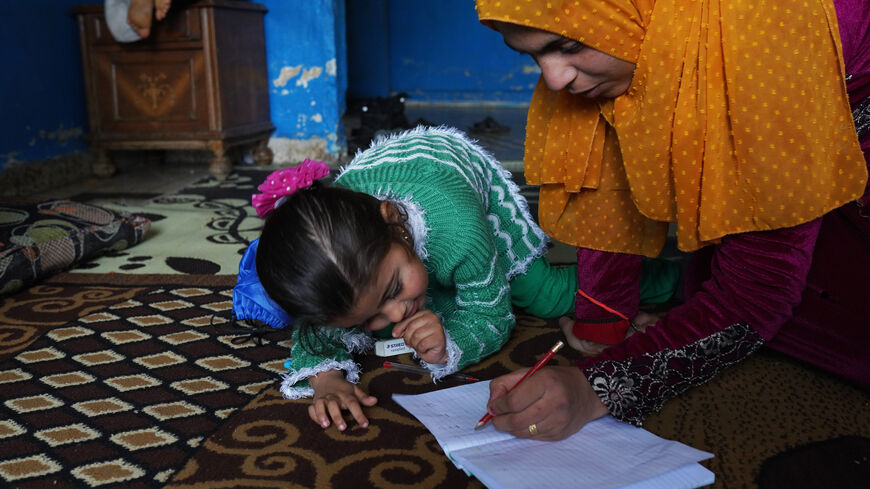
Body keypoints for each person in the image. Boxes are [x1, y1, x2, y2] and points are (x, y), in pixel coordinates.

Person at [474, 0, 870, 441]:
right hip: (806, 170)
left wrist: (594, 387)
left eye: (566, 46)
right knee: (704, 285)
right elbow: (604, 169)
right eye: (533, 56)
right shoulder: (658, 25)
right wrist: (601, 323)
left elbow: (758, 292)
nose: (554, 79)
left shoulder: (765, 35)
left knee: (766, 315)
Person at [238, 126, 677, 432]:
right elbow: (318, 329)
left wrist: (449, 343)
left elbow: (491, 315)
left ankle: (675, 277)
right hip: (397, 218)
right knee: (383, 311)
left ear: (395, 224)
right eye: (371, 315)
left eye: (392, 291)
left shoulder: (461, 228)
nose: (395, 315)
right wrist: (327, 379)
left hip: (463, 185)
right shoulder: (354, 261)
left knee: (542, 295)